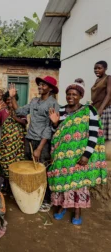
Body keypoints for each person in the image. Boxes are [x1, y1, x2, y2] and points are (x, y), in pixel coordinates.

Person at [48, 82, 107, 225]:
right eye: (68, 94)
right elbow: (58, 133)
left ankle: (77, 210)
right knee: (63, 181)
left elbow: (94, 134)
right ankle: (63, 206)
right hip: (62, 156)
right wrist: (55, 123)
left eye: (74, 94)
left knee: (78, 183)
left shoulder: (89, 111)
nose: (71, 97)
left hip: (79, 156)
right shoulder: (61, 111)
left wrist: (87, 154)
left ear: (81, 96)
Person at [9, 76, 60, 206]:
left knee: (42, 170)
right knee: (29, 168)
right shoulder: (34, 101)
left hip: (41, 142)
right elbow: (20, 110)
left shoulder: (52, 104)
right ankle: (31, 195)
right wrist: (12, 97)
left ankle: (45, 199)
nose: (40, 87)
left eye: (43, 85)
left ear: (50, 88)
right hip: (29, 139)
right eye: (40, 85)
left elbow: (49, 128)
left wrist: (39, 148)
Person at [0, 91, 27, 178]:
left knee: (18, 162)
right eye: (7, 100)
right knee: (5, 162)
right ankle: (7, 183)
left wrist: (14, 117)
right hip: (6, 142)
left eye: (11, 99)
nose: (9, 101)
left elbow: (24, 122)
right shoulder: (2, 112)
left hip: (18, 143)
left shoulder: (20, 110)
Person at [91, 60, 111, 140]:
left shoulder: (108, 78)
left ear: (105, 68)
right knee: (97, 134)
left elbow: (109, 94)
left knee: (104, 135)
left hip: (105, 110)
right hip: (96, 109)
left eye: (99, 68)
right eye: (95, 68)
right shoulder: (97, 80)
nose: (96, 70)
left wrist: (101, 109)